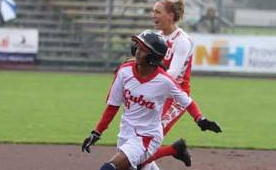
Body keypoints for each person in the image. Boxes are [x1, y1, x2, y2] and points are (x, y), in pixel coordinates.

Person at [81, 30, 222, 170]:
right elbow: (112, 107)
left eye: (143, 50)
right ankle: (175, 149)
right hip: (125, 134)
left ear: (153, 57)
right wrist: (97, 133)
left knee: (109, 168)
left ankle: (174, 150)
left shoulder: (165, 81)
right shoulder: (124, 72)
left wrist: (200, 120)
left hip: (147, 137)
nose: (137, 52)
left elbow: (187, 101)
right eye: (137, 47)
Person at [138, 0, 217, 170]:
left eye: (157, 12)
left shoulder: (182, 41)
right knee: (140, 150)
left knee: (139, 155)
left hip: (175, 98)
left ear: (170, 15)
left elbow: (172, 74)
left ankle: (175, 149)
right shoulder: (158, 37)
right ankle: (175, 149)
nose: (153, 15)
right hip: (157, 95)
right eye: (153, 12)